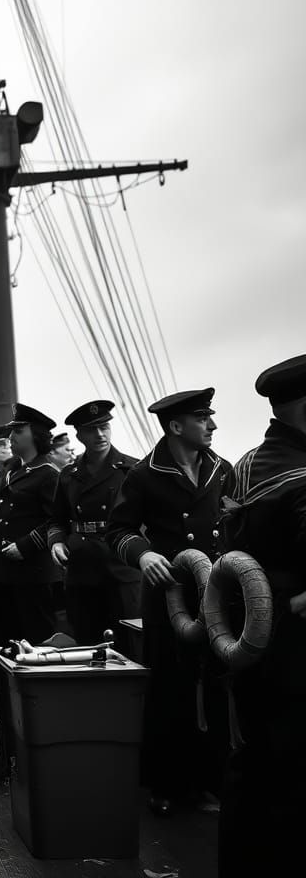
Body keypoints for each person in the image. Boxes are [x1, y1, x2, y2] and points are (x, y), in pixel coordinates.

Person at [106, 388, 230, 817]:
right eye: (203, 419)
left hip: (215, 595)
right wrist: (144, 554)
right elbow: (117, 530)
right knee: (169, 688)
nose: (212, 426)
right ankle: (167, 783)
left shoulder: (222, 470)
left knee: (215, 685)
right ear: (177, 427)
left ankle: (210, 782)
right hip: (167, 595)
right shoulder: (144, 475)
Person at [217, 355, 306, 875]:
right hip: (296, 653)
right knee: (292, 773)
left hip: (253, 640)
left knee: (250, 762)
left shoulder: (250, 462)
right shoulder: (300, 477)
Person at [49, 401, 141, 645]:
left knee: (129, 642)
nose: (100, 434)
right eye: (91, 429)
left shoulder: (132, 469)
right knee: (88, 641)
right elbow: (57, 520)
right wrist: (56, 543)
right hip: (81, 567)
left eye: (104, 427)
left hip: (120, 566)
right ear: (79, 435)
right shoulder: (68, 475)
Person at [0, 403, 62, 649]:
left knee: (36, 637)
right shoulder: (13, 470)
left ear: (35, 434)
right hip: (6, 569)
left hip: (33, 571)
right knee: (5, 635)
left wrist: (26, 545)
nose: (10, 438)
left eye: (17, 432)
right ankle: (4, 688)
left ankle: (38, 688)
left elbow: (56, 519)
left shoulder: (48, 474)